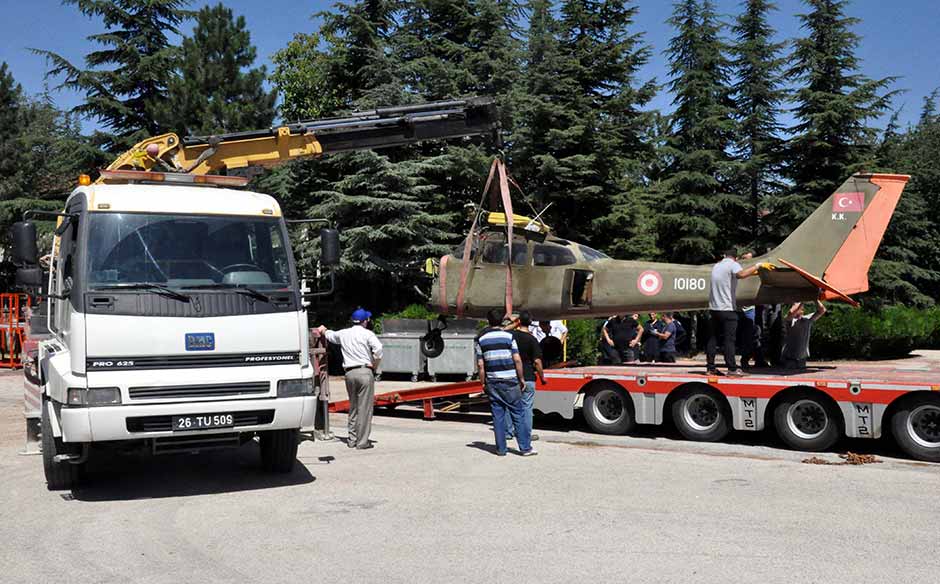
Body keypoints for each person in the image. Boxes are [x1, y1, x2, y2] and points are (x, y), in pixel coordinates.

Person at [318, 308, 383, 450]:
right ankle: (362, 442)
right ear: (365, 321)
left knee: (353, 407)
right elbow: (378, 350)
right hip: (364, 371)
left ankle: (352, 439)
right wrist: (374, 366)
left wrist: (323, 330)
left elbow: (330, 335)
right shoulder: (368, 334)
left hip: (349, 374)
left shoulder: (344, 333)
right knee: (364, 408)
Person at [476, 309, 536, 456]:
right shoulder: (508, 337)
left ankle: (501, 449)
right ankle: (525, 448)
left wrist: (483, 382)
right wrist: (521, 379)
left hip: (492, 382)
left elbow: (480, 365)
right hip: (510, 381)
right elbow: (517, 359)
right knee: (518, 414)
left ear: (488, 321)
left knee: (498, 416)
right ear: (502, 321)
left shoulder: (481, 340)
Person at [705, 249, 766, 376]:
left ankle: (710, 368)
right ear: (736, 257)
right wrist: (757, 266)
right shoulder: (733, 264)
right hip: (727, 309)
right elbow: (741, 274)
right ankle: (732, 369)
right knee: (729, 340)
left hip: (714, 309)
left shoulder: (717, 266)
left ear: (724, 255)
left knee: (713, 339)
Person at [503, 311, 545, 443]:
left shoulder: (511, 335)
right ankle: (525, 434)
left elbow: (502, 330)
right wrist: (542, 377)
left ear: (519, 322)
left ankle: (508, 432)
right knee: (527, 407)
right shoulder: (532, 339)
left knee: (510, 404)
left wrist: (514, 323)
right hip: (528, 377)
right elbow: (537, 362)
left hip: (512, 376)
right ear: (531, 324)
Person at [781, 300, 827, 369]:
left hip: (802, 360)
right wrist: (802, 301)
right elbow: (791, 313)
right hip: (789, 360)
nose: (801, 308)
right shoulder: (789, 320)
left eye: (802, 308)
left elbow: (822, 310)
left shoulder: (807, 320)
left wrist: (815, 299)